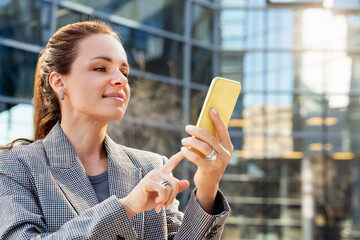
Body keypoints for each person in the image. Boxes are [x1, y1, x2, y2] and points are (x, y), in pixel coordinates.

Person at [0, 21, 233, 239]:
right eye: (101, 68)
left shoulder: (150, 167)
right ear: (59, 82)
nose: (120, 80)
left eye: (124, 72)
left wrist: (208, 187)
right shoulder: (15, 167)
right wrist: (127, 207)